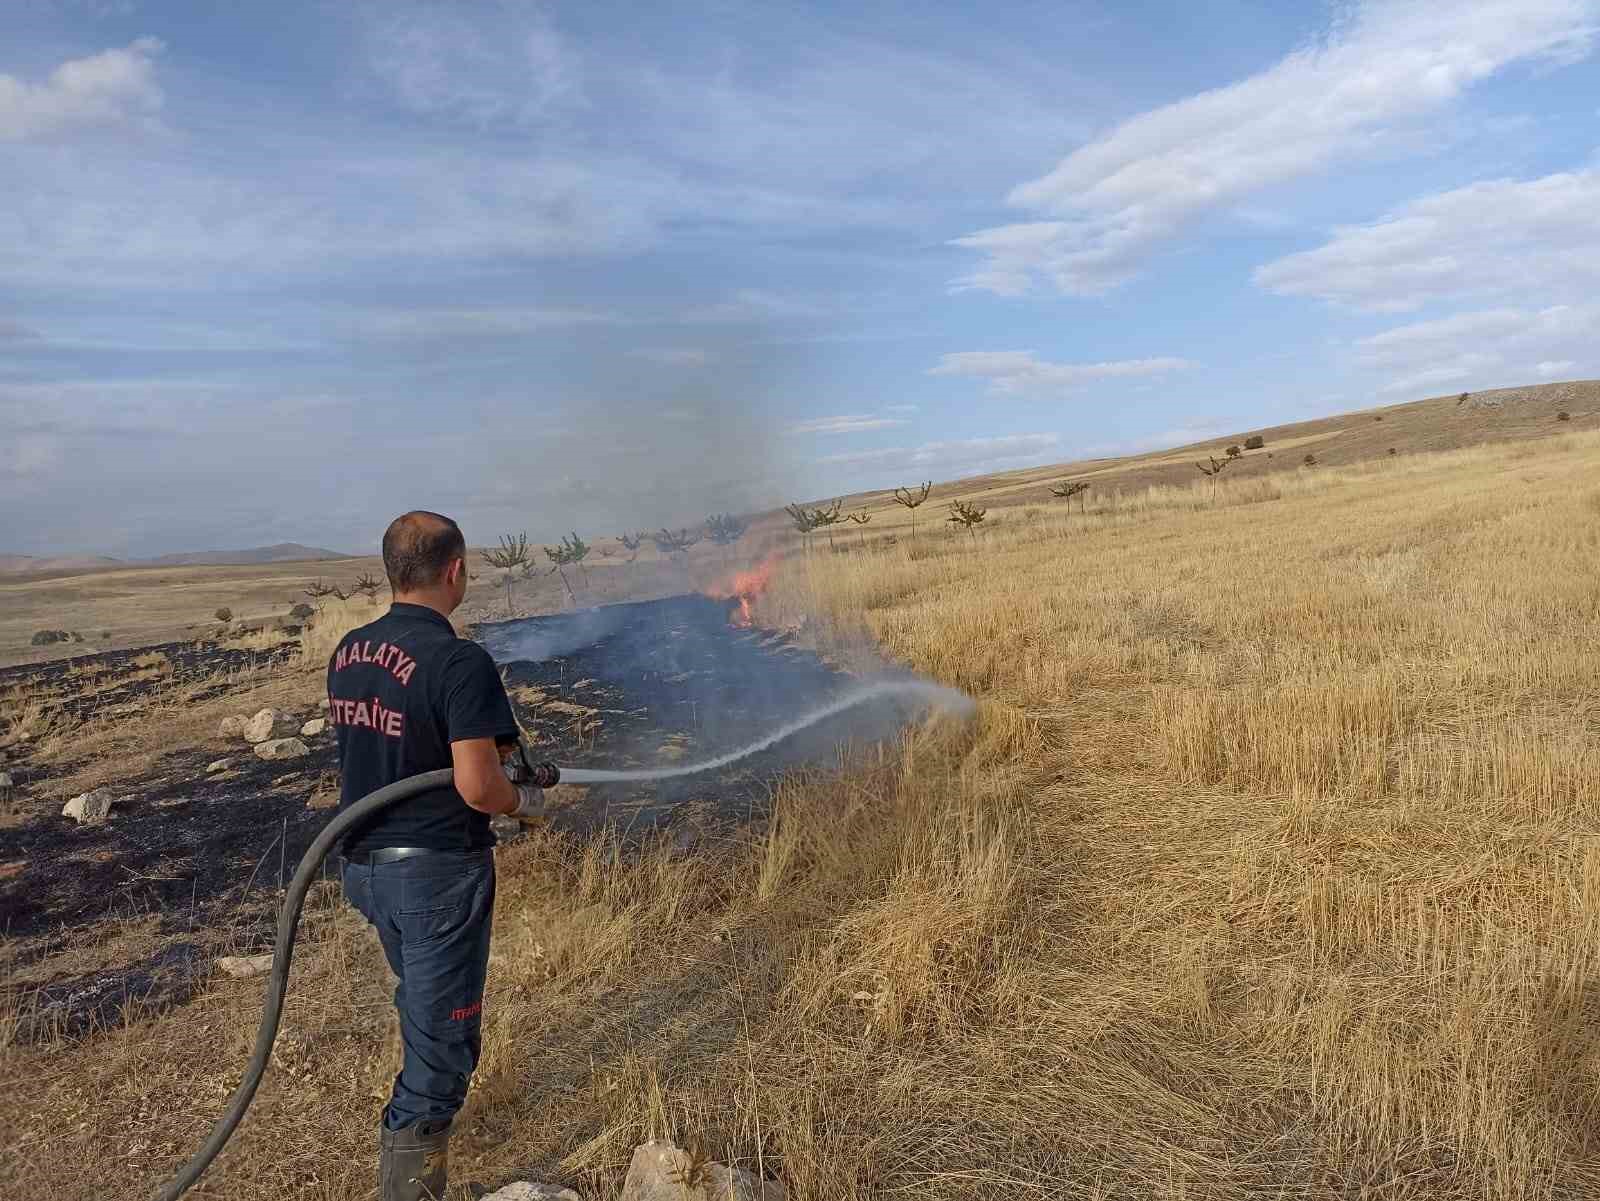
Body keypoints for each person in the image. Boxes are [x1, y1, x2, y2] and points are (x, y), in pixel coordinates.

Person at [328, 510, 549, 1201]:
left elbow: (402, 741)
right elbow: (479, 784)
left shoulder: (350, 650)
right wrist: (524, 803)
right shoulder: (459, 659)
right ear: (456, 570)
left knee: (424, 1005)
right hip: (434, 873)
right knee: (440, 1053)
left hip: (367, 867)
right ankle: (409, 1178)